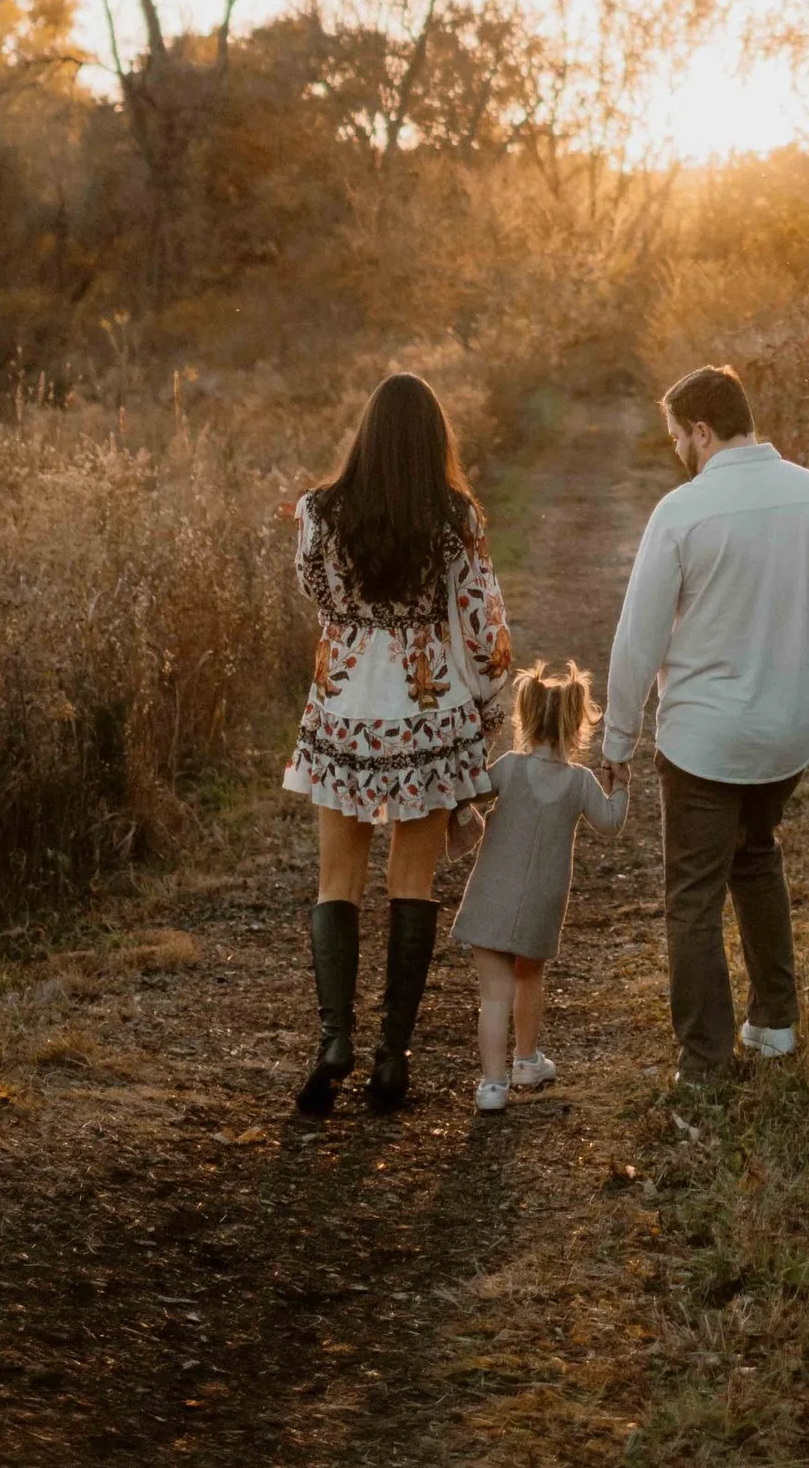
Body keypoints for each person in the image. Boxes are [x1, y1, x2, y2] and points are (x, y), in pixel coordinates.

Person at [602, 362, 809, 1088]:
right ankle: (776, 1024)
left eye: (676, 438)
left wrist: (618, 738)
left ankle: (705, 1062)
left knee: (692, 894)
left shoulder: (683, 511)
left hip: (704, 740)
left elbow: (639, 637)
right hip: (788, 736)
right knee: (755, 857)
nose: (676, 453)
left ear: (701, 429)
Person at [283, 368, 514, 1117]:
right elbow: (482, 629)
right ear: (433, 441)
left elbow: (313, 594)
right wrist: (489, 711)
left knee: (335, 879)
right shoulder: (454, 518)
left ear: (367, 434)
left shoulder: (318, 513)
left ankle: (334, 1041)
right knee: (412, 881)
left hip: (344, 706)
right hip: (428, 708)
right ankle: (392, 1058)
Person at [449, 656, 629, 1105]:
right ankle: (527, 1060)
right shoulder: (582, 782)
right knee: (529, 978)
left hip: (493, 896)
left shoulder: (509, 767)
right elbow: (611, 822)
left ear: (525, 716)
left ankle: (492, 1085)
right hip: (542, 903)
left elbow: (465, 791)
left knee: (494, 993)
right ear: (575, 724)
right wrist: (622, 783)